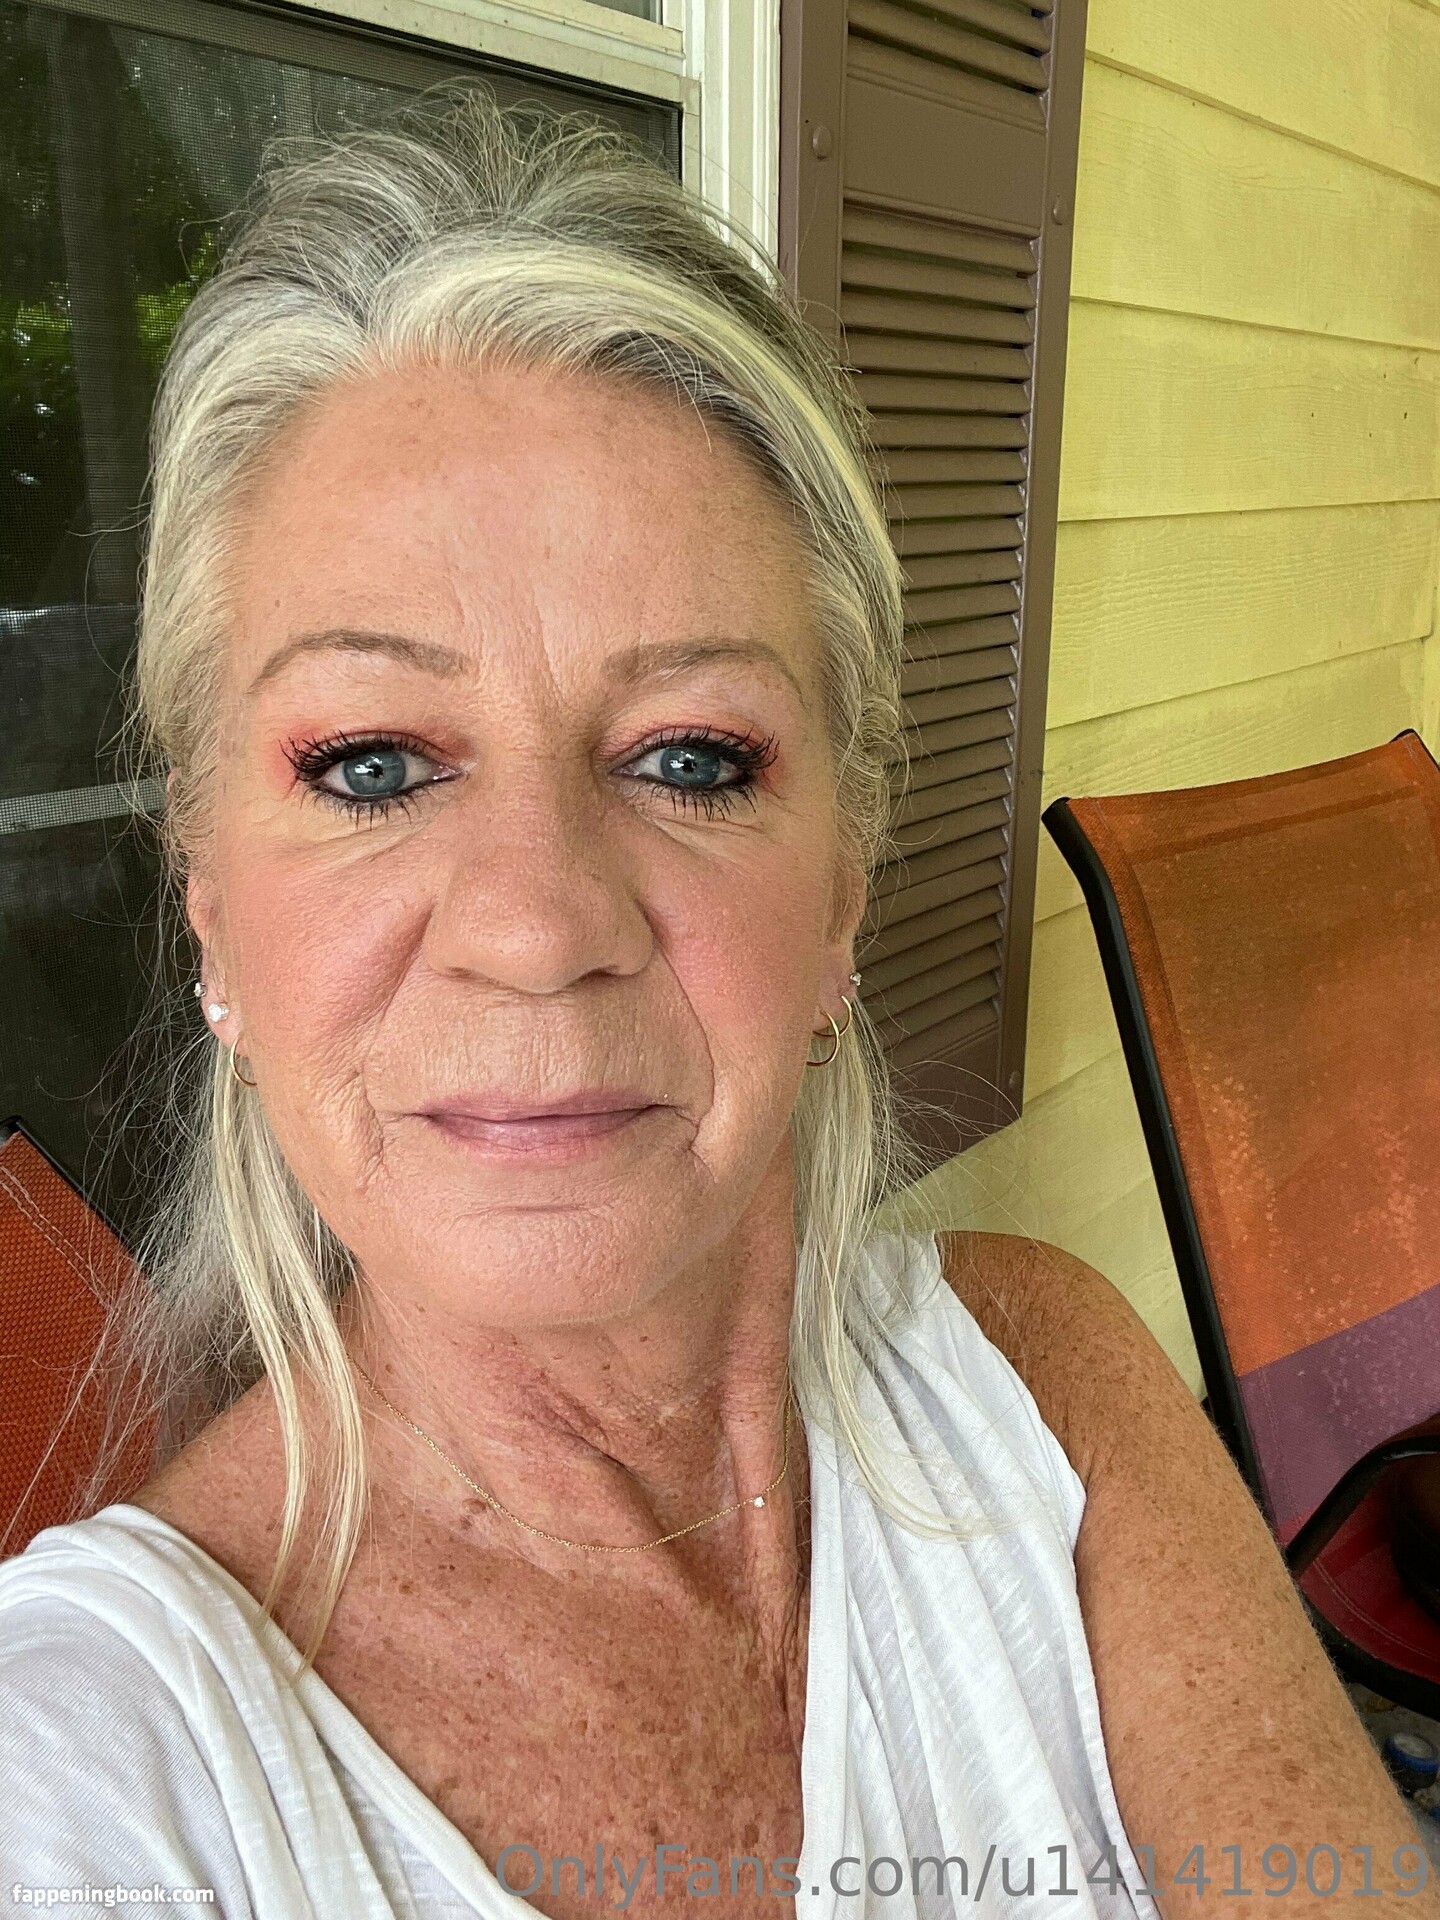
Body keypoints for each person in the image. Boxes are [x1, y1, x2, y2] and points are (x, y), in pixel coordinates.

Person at [0, 85, 1428, 1920]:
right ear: (208, 904)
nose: (536, 926)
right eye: (370, 764)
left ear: (843, 890)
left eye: (688, 756)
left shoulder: (1041, 1389)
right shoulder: (80, 1783)